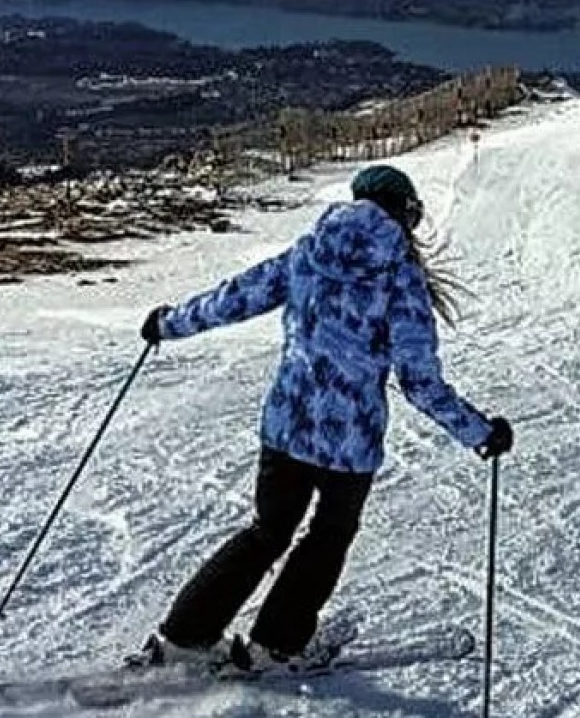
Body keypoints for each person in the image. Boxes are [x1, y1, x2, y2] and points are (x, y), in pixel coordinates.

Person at [129, 164, 511, 673]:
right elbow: (420, 382)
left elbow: (235, 299)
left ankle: (183, 637)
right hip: (348, 444)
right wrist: (480, 433)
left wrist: (168, 323)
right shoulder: (401, 280)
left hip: (286, 427)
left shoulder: (309, 254)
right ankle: (275, 647)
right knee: (328, 536)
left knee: (267, 531)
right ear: (404, 214)